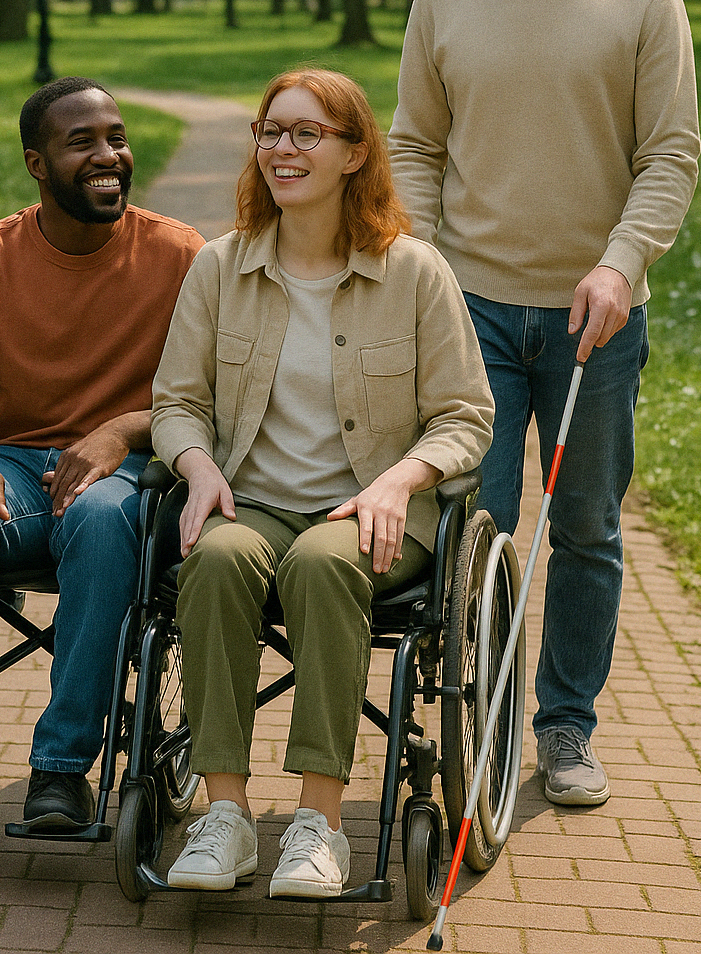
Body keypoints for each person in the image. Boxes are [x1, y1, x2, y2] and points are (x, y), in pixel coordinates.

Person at [388, 0, 700, 808]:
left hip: (593, 319)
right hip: (467, 307)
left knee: (586, 531)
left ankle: (564, 728)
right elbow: (415, 148)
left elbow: (669, 154)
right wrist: (421, 266)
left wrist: (623, 262)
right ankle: (471, 714)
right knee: (469, 525)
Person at [151, 69, 493, 897]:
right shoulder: (219, 268)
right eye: (271, 132)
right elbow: (176, 403)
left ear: (353, 153)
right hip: (253, 500)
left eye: (308, 134)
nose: (283, 149)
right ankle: (225, 816)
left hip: (373, 516)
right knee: (219, 559)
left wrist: (396, 483)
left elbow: (465, 418)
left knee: (320, 563)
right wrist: (195, 469)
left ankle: (319, 824)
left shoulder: (414, 273)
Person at [0, 78, 203, 833]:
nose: (110, 156)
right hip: (10, 465)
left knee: (103, 522)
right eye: (83, 143)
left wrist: (122, 431)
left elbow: (215, 398)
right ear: (37, 163)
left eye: (117, 138)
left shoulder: (182, 256)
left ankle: (64, 772)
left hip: (133, 475)